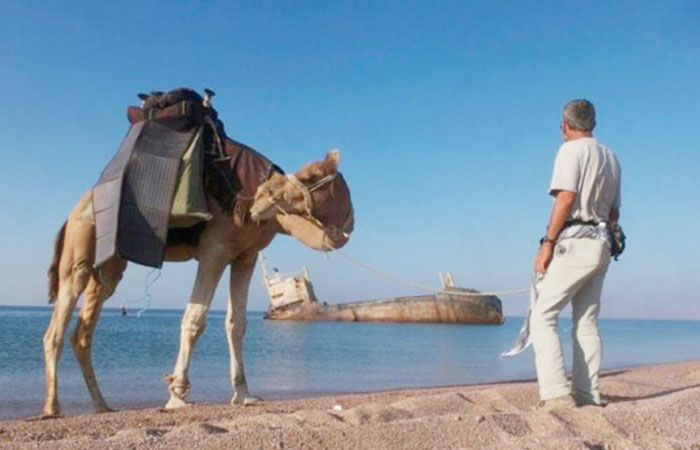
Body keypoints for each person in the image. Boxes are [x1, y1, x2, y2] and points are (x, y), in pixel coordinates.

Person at [530, 99, 621, 410]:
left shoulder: (570, 150)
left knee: (543, 317)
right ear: (592, 123)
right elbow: (614, 213)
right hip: (603, 244)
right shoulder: (611, 158)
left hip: (575, 240)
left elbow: (565, 198)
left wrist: (548, 243)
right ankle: (587, 394)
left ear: (564, 126)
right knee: (586, 321)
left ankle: (556, 395)